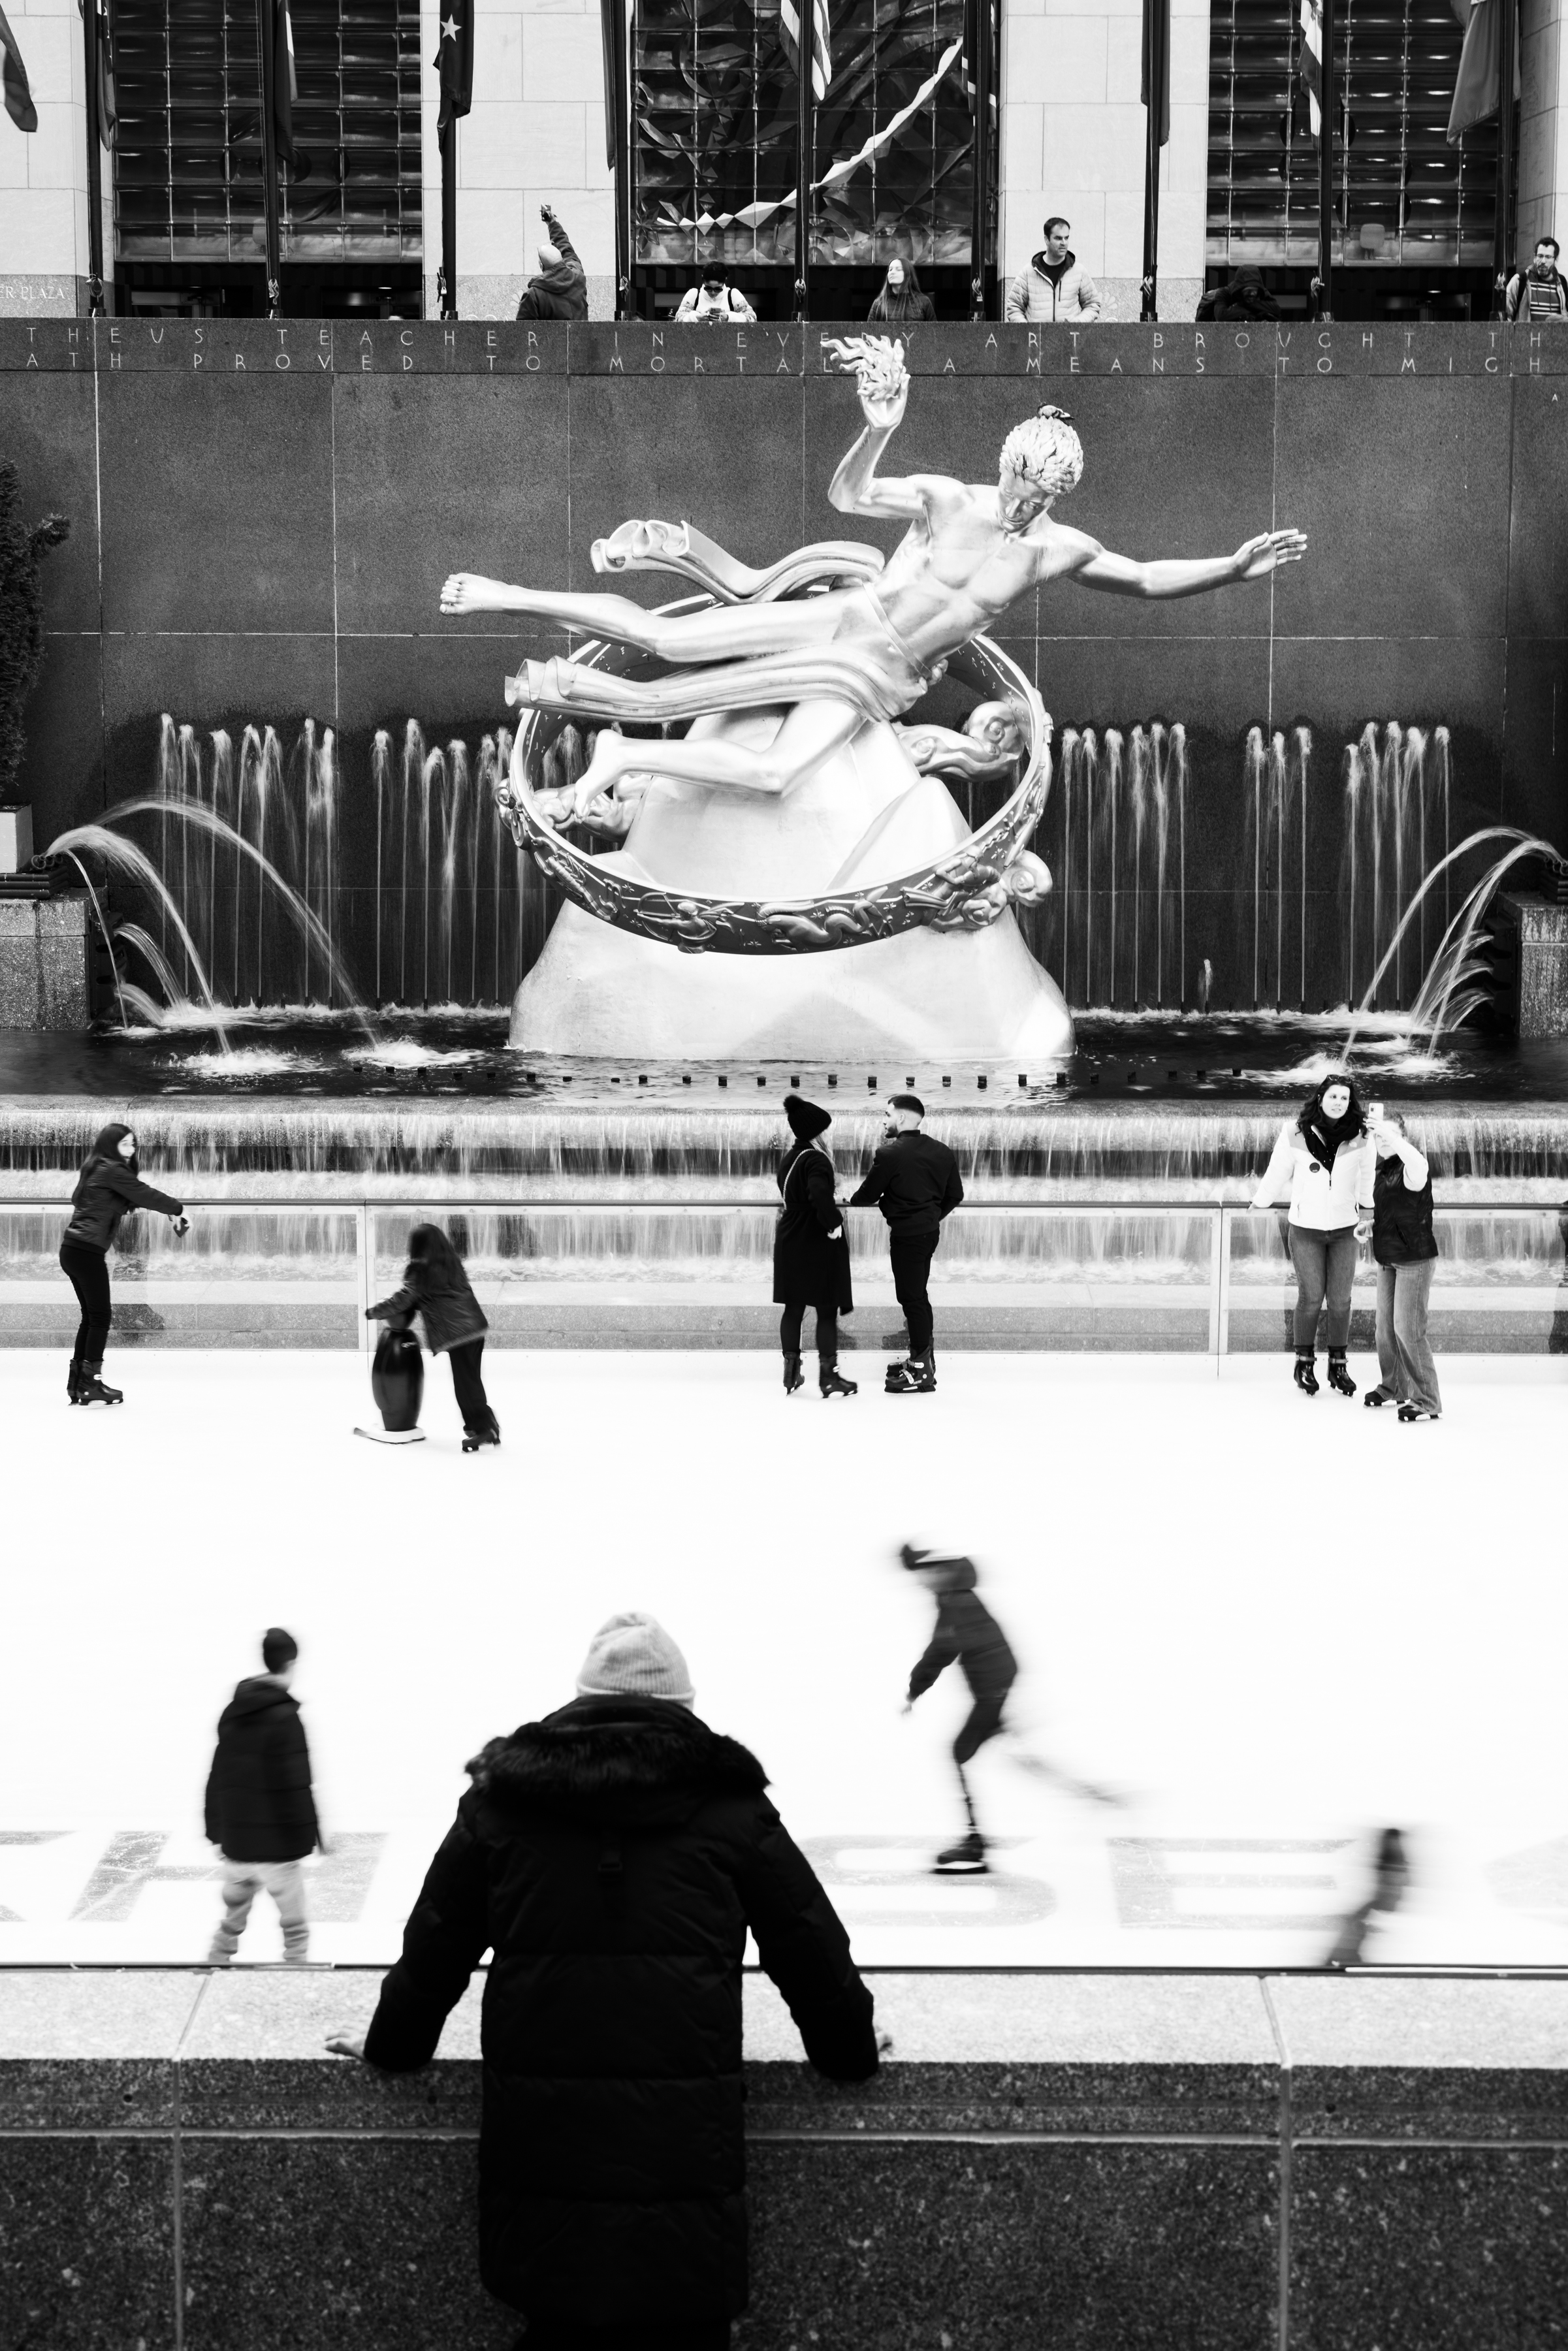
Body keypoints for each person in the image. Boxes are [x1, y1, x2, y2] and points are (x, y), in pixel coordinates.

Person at [325, 1612, 879, 2351]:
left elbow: (435, 1947)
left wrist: (390, 2049)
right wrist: (849, 2051)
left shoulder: (504, 1803)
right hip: (680, 2146)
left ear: (578, 1703)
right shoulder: (729, 1808)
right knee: (683, 2324)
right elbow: (807, 1944)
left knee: (553, 2321)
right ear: (682, 1709)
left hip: (544, 2141)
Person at [443, 354, 1305, 815]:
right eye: (1018, 481)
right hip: (843, 624)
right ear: (1004, 465)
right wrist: (875, 428)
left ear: (1059, 495)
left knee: (779, 775)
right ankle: (505, 593)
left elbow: (1148, 579)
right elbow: (849, 496)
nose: (1022, 499)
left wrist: (1230, 567)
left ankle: (623, 753)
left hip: (881, 677)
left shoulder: (1055, 550)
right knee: (665, 640)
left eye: (1040, 493)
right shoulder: (943, 498)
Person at [1250, 1073, 1375, 1397]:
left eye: (1345, 1098)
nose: (1338, 1103)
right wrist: (1260, 1201)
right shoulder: (1294, 1132)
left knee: (1341, 1299)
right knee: (1310, 1297)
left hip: (1345, 1229)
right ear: (1321, 1098)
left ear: (1351, 1103)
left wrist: (1368, 1211)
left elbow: (1367, 1177)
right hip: (1306, 1230)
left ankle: (1338, 1365)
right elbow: (1278, 1171)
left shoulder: (1363, 1135)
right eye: (1333, 1096)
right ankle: (1303, 1363)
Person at [204, 1627, 322, 1966]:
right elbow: (295, 1786)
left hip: (238, 1847)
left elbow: (217, 1777)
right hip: (277, 1852)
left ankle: (207, 1974)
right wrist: (305, 1842)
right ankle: (291, 1987)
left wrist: (218, 1833)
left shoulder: (234, 1711)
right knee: (296, 1930)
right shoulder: (286, 1718)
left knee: (230, 1924)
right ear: (291, 1663)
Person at [900, 1544, 1017, 1875]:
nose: (920, 1583)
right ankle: (975, 1838)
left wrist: (914, 1691)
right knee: (984, 1754)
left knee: (958, 1753)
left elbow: (941, 1650)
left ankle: (975, 1841)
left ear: (942, 1572)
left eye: (923, 1575)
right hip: (996, 1693)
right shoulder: (957, 1597)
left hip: (993, 1694)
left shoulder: (958, 1603)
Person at [58, 1121, 188, 1406]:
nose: (131, 1150)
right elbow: (143, 1193)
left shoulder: (95, 1167)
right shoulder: (113, 1169)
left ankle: (78, 1383)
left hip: (72, 1249)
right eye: (124, 1144)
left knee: (91, 1318)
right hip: (87, 1252)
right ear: (110, 1146)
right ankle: (90, 1384)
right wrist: (176, 1209)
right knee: (101, 1318)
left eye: (133, 1144)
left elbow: (118, 1198)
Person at [850, 1093, 963, 1393]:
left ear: (902, 1118)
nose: (884, 1120)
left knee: (911, 1299)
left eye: (887, 1115)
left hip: (907, 1237)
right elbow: (956, 1196)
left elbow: (866, 1196)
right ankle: (922, 1361)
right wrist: (931, 1217)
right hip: (928, 1234)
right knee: (918, 1297)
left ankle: (922, 1372)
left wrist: (851, 1200)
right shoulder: (942, 1151)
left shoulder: (890, 1154)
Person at [366, 1221, 500, 1450]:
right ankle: (485, 1427)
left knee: (466, 1384)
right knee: (470, 1380)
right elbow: (438, 1296)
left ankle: (484, 1428)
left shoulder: (419, 1268)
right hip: (475, 1327)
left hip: (460, 1333)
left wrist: (374, 1312)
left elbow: (405, 1298)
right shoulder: (450, 1262)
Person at [775, 1095, 856, 1398]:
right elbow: (820, 1194)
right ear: (817, 1132)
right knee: (825, 1309)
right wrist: (834, 1224)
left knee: (793, 1307)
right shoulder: (817, 1159)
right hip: (814, 1237)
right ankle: (829, 1377)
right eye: (825, 1129)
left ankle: (791, 1373)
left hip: (790, 1235)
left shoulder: (790, 1158)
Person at [1364, 1109, 1441, 1423]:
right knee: (1385, 1330)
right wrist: (1368, 1227)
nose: (1382, 1140)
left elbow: (1419, 1163)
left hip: (1415, 1259)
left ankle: (1427, 1400)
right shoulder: (1383, 1172)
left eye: (1389, 1134)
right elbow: (1392, 1214)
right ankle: (1394, 1386)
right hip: (1388, 1258)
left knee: (1409, 1330)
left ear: (1402, 1138)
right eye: (1377, 1135)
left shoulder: (1414, 1168)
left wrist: (1389, 1133)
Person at [1003, 216, 1102, 324]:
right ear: (1047, 239)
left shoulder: (1079, 271)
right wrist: (1027, 329)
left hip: (1069, 338)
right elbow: (1014, 307)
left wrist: (1077, 323)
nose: (1064, 243)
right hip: (1036, 338)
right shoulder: (1029, 272)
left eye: (1066, 238)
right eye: (1058, 238)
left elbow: (1093, 305)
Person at [515, 206, 588, 321]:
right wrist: (553, 224)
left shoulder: (534, 295)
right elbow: (567, 249)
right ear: (562, 259)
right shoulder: (578, 276)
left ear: (541, 266)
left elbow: (523, 332)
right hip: (581, 339)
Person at [1506, 236, 1568, 322]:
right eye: (1540, 256)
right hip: (1526, 335)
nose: (1543, 261)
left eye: (1548, 257)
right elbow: (1506, 317)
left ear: (1556, 260)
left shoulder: (1562, 283)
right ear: (1535, 258)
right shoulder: (1520, 281)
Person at [1196, 265, 1279, 322]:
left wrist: (1250, 306)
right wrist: (1251, 307)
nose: (1252, 294)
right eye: (1247, 291)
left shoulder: (1261, 292)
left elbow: (1276, 309)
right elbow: (1221, 316)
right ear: (1240, 291)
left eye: (1254, 290)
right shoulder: (1224, 293)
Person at [867, 258, 935, 324]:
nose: (892, 272)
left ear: (908, 275)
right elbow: (869, 331)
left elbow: (935, 331)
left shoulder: (924, 301)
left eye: (898, 269)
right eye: (890, 270)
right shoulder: (879, 303)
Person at [673, 275, 758, 323]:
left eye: (718, 289)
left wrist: (728, 317)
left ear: (724, 282)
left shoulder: (732, 294)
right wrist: (698, 317)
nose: (713, 293)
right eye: (708, 288)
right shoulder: (694, 294)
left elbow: (752, 319)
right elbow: (678, 319)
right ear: (703, 282)